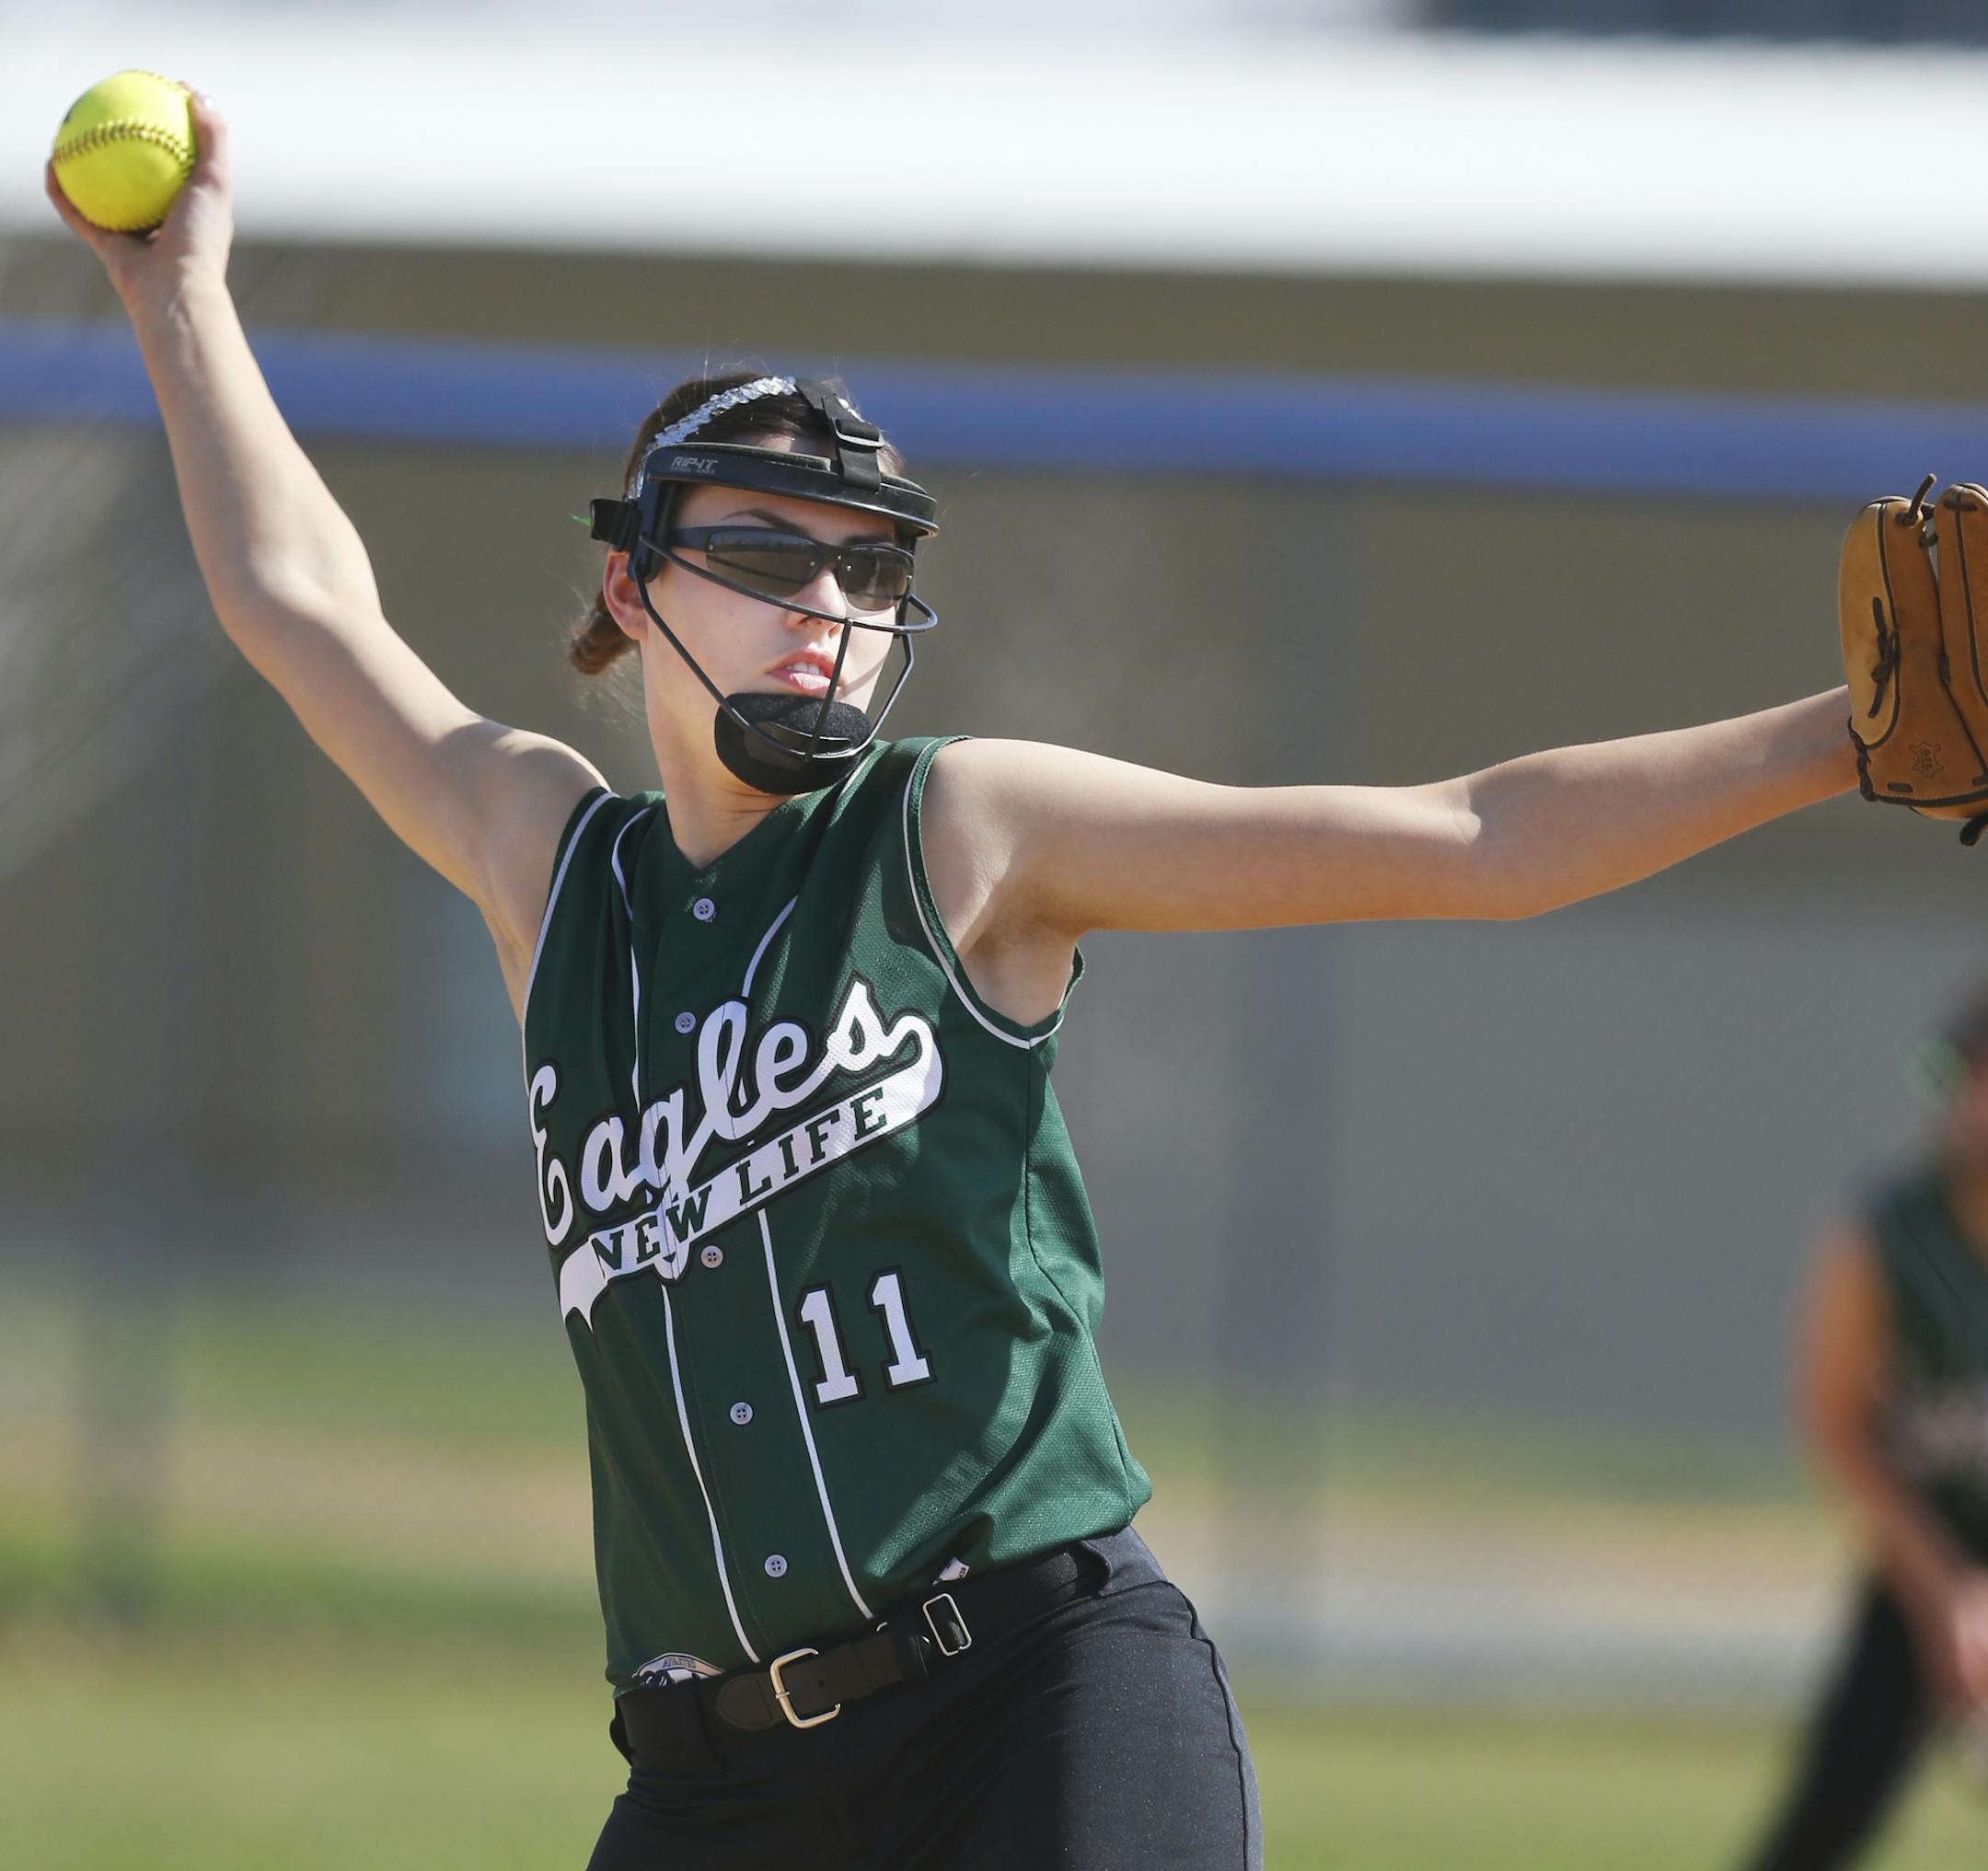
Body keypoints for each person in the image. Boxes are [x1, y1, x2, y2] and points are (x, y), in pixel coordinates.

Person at [50, 94, 1864, 1871]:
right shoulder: (556, 867)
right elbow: (303, 607)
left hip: (1034, 1697)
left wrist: (1842, 733)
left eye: (863, 563)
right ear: (631, 578)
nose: (821, 601)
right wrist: (177, 291)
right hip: (715, 1777)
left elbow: (1474, 835)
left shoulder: (961, 834)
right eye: (762, 550)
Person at [1735, 992, 1988, 1871]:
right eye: (1972, 1076)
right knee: (1825, 1820)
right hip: (1925, 1555)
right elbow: (1838, 1428)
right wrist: (1950, 1592)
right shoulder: (1882, 1234)